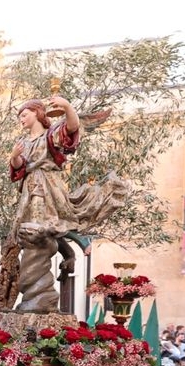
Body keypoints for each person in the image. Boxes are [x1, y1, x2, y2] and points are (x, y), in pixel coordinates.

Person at [8, 97, 128, 313]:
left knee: (45, 226)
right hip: (30, 186)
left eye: (24, 115)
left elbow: (72, 128)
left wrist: (67, 106)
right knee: (34, 230)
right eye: (19, 117)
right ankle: (68, 254)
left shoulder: (50, 134)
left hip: (47, 185)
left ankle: (75, 248)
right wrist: (14, 156)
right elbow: (19, 170)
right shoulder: (24, 143)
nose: (21, 120)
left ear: (37, 113)